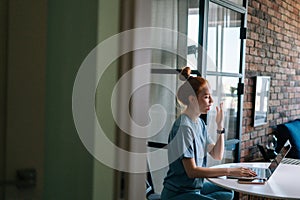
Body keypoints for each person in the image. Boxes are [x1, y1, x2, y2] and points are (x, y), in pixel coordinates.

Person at [161, 67, 256, 200]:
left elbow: (217, 154)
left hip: (195, 189)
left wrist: (220, 126)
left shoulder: (199, 123)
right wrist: (230, 171)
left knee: (228, 192)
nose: (211, 101)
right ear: (192, 99)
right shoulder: (184, 127)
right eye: (206, 97)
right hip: (178, 193)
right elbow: (192, 171)